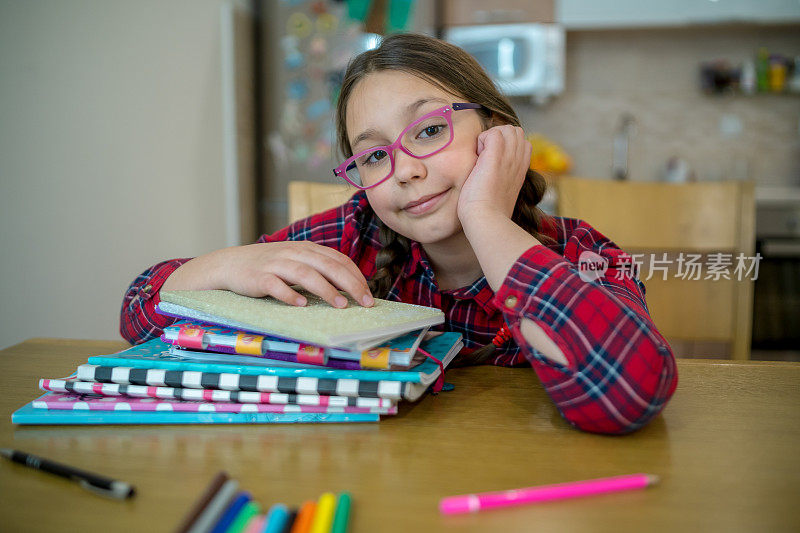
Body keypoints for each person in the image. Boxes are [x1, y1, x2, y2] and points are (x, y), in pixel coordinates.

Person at [120, 33, 677, 435]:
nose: (405, 170)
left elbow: (627, 395)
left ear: (497, 131)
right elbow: (138, 312)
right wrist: (221, 266)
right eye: (375, 156)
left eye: (430, 129)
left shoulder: (580, 252)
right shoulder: (348, 237)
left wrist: (485, 217)